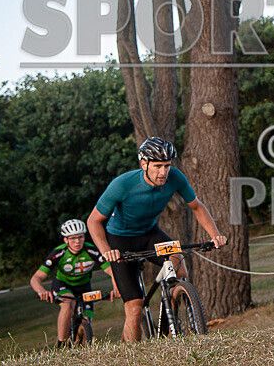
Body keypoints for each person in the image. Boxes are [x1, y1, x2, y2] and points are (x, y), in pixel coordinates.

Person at [86, 137, 228, 341]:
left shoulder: (175, 178)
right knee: (135, 307)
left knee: (179, 266)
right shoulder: (122, 184)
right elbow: (93, 221)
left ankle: (172, 321)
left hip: (149, 234)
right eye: (158, 166)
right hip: (120, 240)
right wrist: (106, 250)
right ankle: (132, 357)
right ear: (144, 164)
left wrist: (214, 236)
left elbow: (196, 206)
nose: (163, 172)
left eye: (167, 166)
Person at [30, 219, 119, 348]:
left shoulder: (91, 250)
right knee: (68, 304)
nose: (77, 242)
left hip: (84, 286)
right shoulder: (58, 253)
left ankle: (83, 349)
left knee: (86, 320)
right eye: (73, 238)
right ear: (65, 240)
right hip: (63, 284)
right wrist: (41, 291)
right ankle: (61, 344)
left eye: (80, 237)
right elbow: (36, 278)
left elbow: (111, 270)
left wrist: (116, 288)